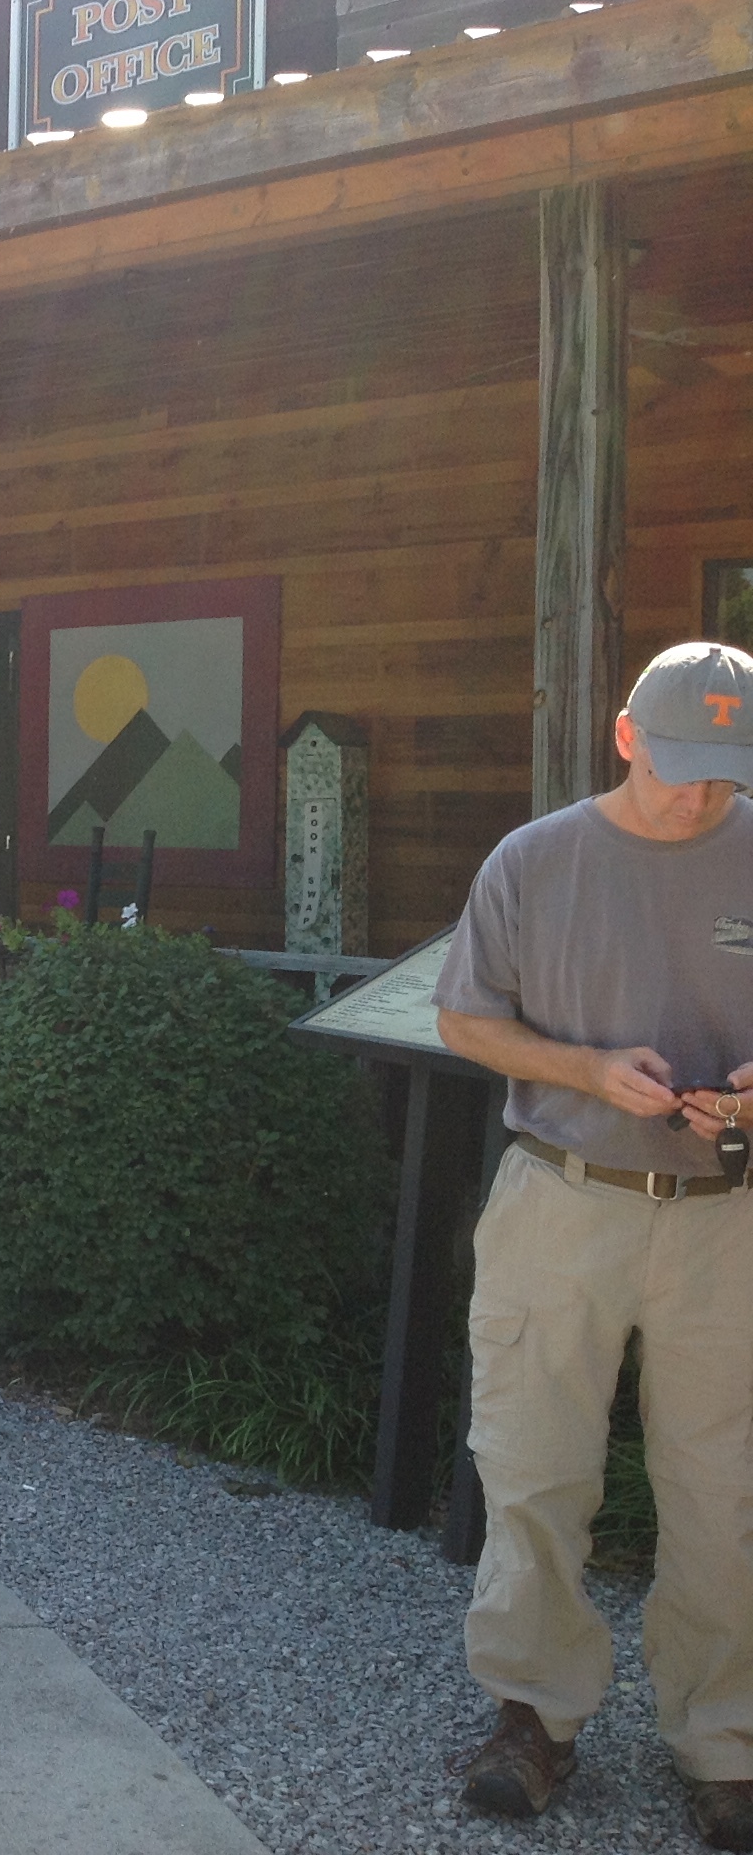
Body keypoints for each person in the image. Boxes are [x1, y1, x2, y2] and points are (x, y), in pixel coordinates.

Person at [433, 641, 753, 1848]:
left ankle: (725, 1738)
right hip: (561, 1202)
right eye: (680, 765)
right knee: (533, 1469)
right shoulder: (533, 860)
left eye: (726, 770)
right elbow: (464, 1017)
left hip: (727, 1218)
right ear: (627, 738)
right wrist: (587, 1068)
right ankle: (533, 1717)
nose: (700, 793)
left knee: (724, 1491)